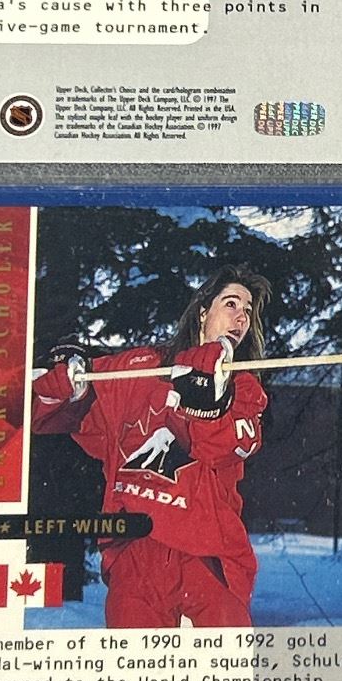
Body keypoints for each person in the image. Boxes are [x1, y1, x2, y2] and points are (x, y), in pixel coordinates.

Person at [30, 268, 272, 628]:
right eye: (231, 304)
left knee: (222, 662)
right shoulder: (137, 368)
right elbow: (47, 413)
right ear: (202, 312)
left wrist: (207, 398)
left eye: (248, 311)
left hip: (206, 557)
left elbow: (221, 447)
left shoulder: (245, 387)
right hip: (135, 553)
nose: (241, 318)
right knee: (134, 663)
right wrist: (65, 381)